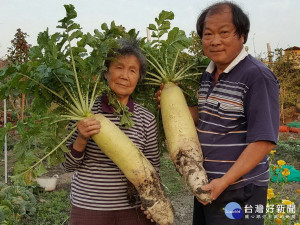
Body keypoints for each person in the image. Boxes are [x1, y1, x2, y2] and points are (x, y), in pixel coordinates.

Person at [190, 2, 280, 225]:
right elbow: (206, 117)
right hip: (207, 185)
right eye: (208, 34)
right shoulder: (208, 75)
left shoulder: (257, 77)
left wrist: (225, 181)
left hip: (240, 190)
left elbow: (264, 141)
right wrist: (172, 107)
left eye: (224, 33)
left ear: (242, 36)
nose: (215, 41)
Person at [62, 39, 159, 225]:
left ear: (139, 77)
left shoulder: (147, 118)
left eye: (132, 70)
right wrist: (82, 138)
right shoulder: (86, 113)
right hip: (89, 209)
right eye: (119, 67)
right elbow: (67, 166)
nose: (125, 75)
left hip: (134, 210)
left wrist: (152, 203)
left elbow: (153, 167)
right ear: (106, 73)